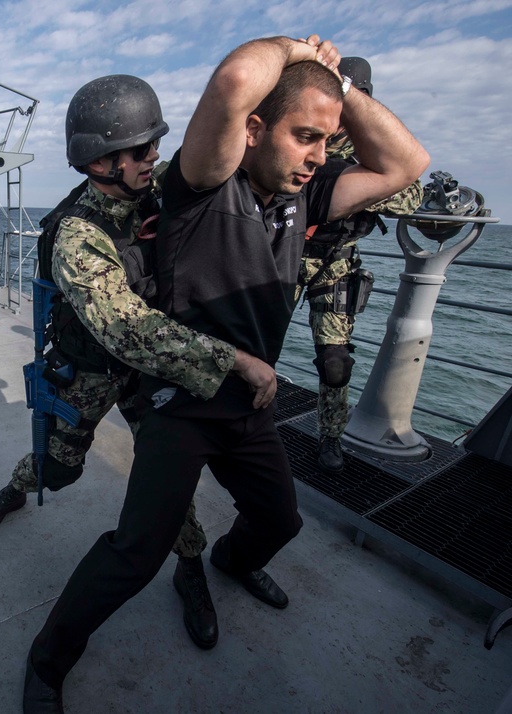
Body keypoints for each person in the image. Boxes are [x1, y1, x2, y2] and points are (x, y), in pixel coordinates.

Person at [23, 35, 429, 713]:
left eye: (325, 142)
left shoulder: (311, 195)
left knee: (281, 519)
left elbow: (407, 165)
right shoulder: (199, 187)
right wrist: (298, 49)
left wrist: (340, 90)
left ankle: (228, 564)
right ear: (255, 130)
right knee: (134, 553)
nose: (318, 156)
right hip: (178, 405)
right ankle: (47, 660)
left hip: (248, 406)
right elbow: (239, 78)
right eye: (304, 137)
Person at [0, 74, 237, 651]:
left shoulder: (149, 191)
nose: (154, 158)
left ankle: (189, 567)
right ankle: (21, 485)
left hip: (146, 375)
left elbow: (212, 151)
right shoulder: (76, 233)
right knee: (60, 467)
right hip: (91, 369)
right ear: (101, 160)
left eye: (154, 146)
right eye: (141, 150)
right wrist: (232, 362)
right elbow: (128, 331)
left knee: (167, 476)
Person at [297, 56, 423, 473]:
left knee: (335, 362)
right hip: (286, 257)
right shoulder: (305, 133)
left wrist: (346, 185)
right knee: (252, 343)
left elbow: (409, 194)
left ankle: (330, 437)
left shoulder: (370, 149)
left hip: (335, 264)